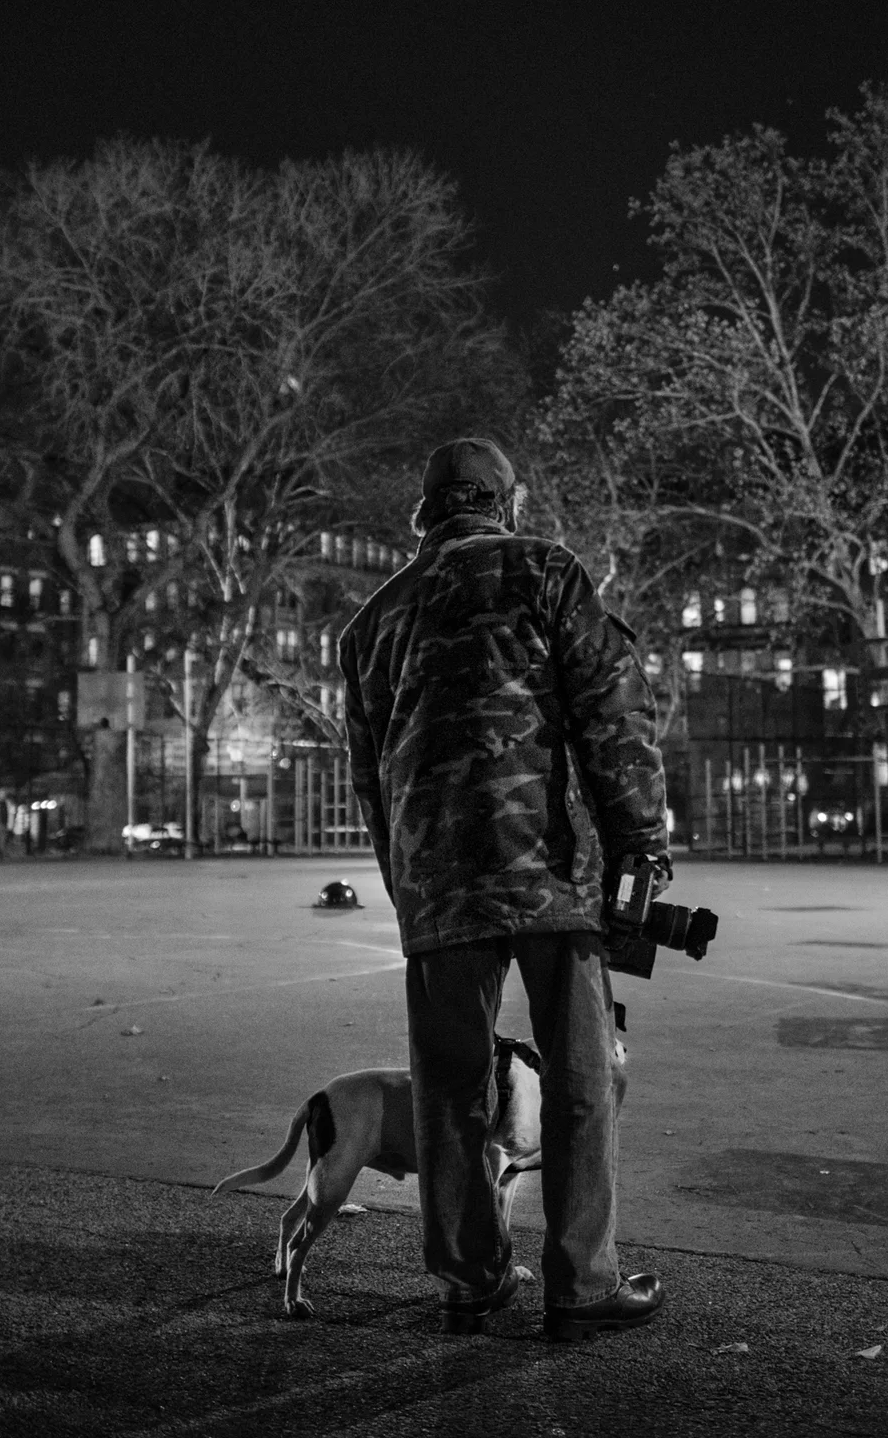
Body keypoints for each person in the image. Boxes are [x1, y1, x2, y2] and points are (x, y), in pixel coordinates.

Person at [339, 437, 669, 1342]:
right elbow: (612, 711)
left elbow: (369, 780)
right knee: (578, 1077)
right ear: (504, 503)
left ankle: (470, 1280)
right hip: (548, 870)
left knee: (451, 1091)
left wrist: (406, 892)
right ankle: (581, 1281)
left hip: (436, 885)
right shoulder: (547, 572)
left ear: (428, 509)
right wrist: (642, 841)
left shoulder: (373, 622)